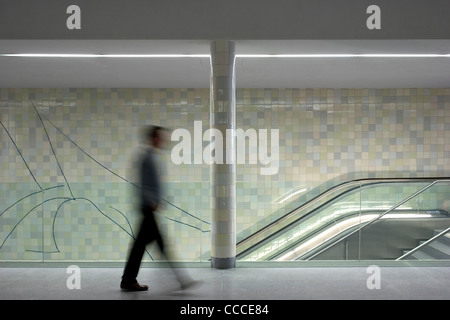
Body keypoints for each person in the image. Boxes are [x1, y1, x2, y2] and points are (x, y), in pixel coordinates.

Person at [121, 126, 196, 291]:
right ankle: (181, 278)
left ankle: (128, 279)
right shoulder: (146, 158)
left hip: (149, 207)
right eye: (160, 137)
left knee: (140, 246)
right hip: (148, 207)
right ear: (153, 138)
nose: (163, 140)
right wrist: (151, 201)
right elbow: (141, 183)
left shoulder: (151, 157)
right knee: (159, 244)